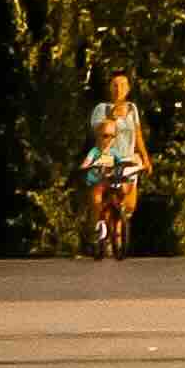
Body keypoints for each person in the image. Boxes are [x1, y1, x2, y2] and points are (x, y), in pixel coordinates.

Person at [80, 78, 147, 260]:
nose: (119, 89)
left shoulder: (132, 109)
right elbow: (98, 133)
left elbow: (138, 135)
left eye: (123, 85)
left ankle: (117, 228)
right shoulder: (101, 109)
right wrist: (112, 116)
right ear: (109, 88)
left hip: (128, 160)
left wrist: (146, 158)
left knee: (128, 204)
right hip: (107, 159)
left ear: (129, 88)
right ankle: (100, 233)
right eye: (115, 85)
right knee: (99, 197)